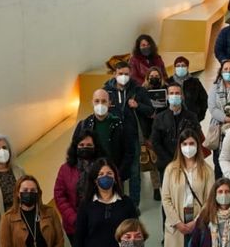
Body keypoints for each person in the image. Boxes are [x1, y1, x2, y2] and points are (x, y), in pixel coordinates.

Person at [160, 129, 213, 247]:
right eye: (185, 143)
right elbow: (165, 198)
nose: (188, 147)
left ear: (198, 145)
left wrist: (196, 222)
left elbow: (209, 200)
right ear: (180, 146)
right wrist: (177, 222)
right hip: (176, 221)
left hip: (198, 219)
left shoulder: (207, 170)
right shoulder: (170, 169)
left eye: (192, 143)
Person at [103, 62, 155, 205]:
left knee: (134, 172)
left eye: (126, 74)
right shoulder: (107, 91)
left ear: (130, 74)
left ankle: (133, 204)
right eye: (120, 74)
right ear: (115, 74)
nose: (123, 77)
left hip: (132, 138)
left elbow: (150, 111)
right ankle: (116, 202)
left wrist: (138, 106)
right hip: (113, 140)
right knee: (114, 171)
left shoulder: (138, 90)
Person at [151, 82, 204, 178]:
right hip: (166, 166)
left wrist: (184, 159)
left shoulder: (192, 117)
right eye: (171, 93)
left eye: (177, 93)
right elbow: (155, 142)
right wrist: (171, 162)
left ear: (182, 96)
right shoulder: (159, 118)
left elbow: (197, 138)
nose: (174, 96)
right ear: (167, 97)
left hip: (188, 163)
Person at [75, 89, 128, 180]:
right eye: (97, 101)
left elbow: (128, 152)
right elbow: (74, 150)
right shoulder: (84, 125)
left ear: (109, 103)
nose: (100, 104)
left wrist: (119, 174)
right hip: (90, 177)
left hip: (113, 176)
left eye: (104, 101)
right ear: (92, 103)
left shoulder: (119, 125)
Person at [170, 56, 208, 124]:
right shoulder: (169, 81)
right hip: (172, 119)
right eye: (178, 66)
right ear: (175, 68)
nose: (180, 68)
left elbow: (204, 99)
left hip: (192, 119)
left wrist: (200, 116)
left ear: (187, 67)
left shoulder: (195, 82)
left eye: (183, 65)